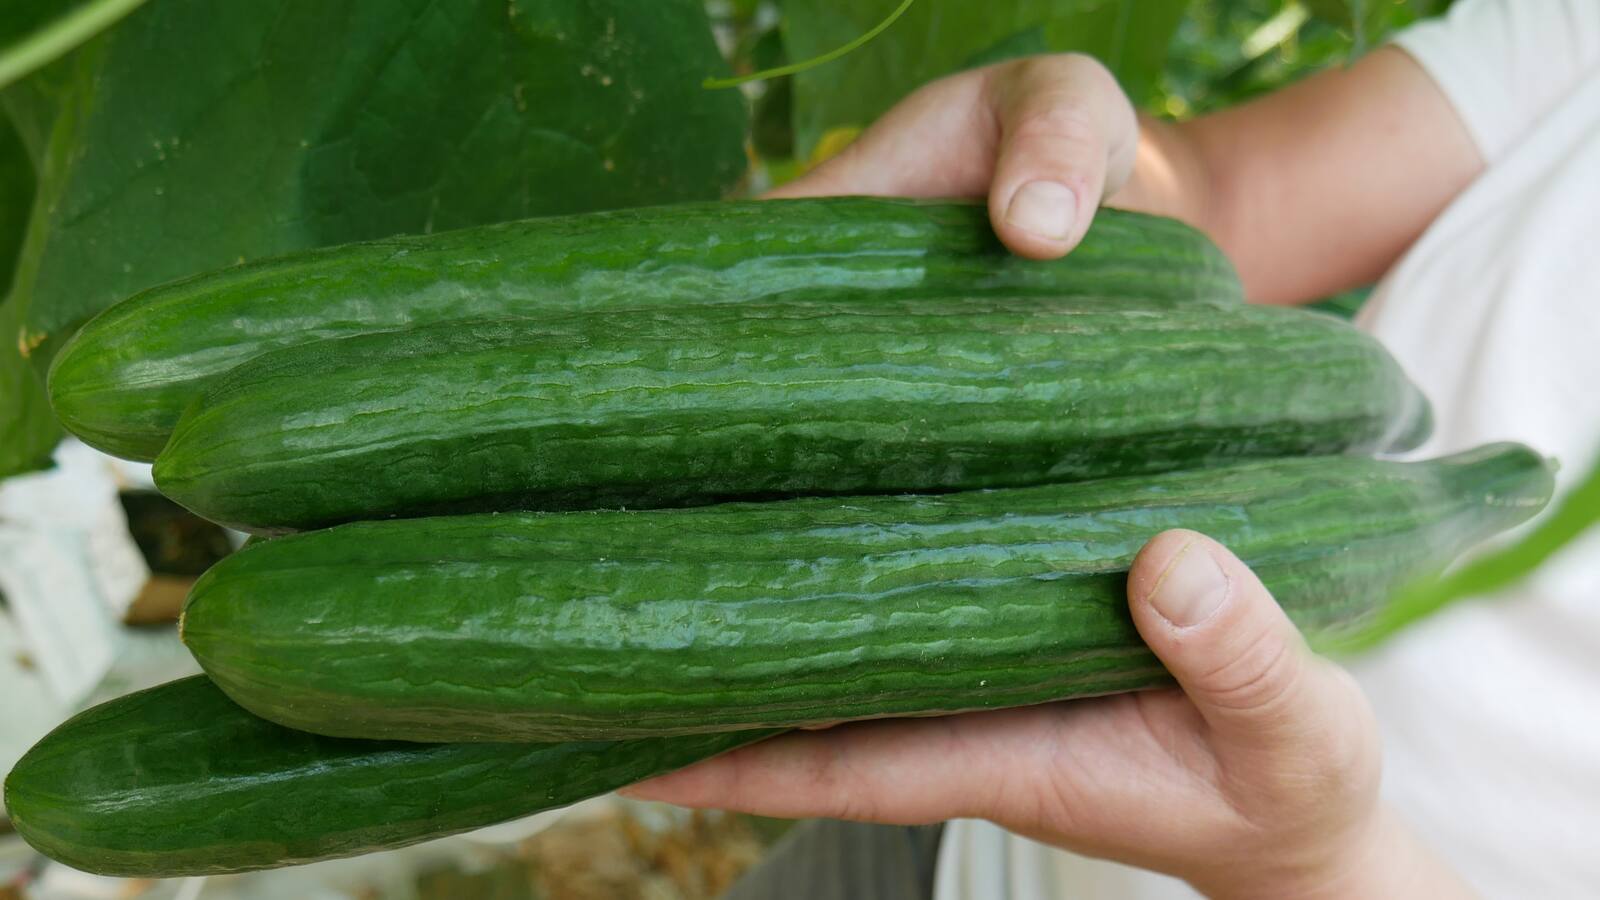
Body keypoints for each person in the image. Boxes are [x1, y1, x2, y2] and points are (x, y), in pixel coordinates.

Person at [623, 1, 1600, 897]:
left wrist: (1316, 866)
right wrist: (1069, 181)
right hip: (962, 821)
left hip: (1004, 762)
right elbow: (1228, 203)